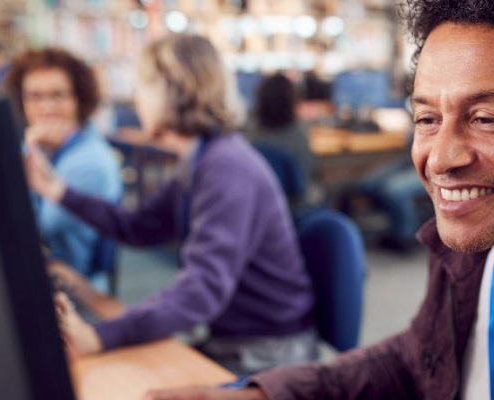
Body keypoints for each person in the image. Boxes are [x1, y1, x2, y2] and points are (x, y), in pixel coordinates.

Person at [143, 0, 494, 399]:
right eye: (426, 118)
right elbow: (413, 359)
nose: (440, 158)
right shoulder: (474, 244)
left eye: (488, 118)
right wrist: (257, 394)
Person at [25, 34, 316, 375]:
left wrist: (100, 335)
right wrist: (56, 189)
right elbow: (136, 227)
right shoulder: (201, 159)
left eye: (142, 87)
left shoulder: (226, 168)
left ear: (172, 90)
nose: (136, 100)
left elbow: (201, 292)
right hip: (232, 337)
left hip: (267, 353)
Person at [7, 47, 122, 281]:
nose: (46, 107)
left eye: (57, 95)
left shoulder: (90, 160)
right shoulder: (43, 147)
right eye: (35, 97)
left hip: (79, 290)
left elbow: (37, 229)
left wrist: (30, 146)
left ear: (79, 99)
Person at [247, 72, 314, 208]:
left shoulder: (249, 137)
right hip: (295, 207)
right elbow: (307, 176)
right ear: (293, 102)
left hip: (259, 207)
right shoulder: (298, 138)